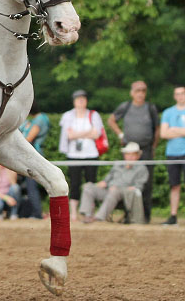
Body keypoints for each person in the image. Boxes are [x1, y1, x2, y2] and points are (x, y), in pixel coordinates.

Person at [107, 81, 160, 222]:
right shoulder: (126, 106)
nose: (140, 94)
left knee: (146, 184)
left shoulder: (150, 108)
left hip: (145, 150)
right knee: (126, 182)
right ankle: (128, 215)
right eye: (138, 91)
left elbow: (157, 129)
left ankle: (146, 216)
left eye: (143, 91)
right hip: (130, 150)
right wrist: (120, 134)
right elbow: (111, 120)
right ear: (132, 93)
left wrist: (153, 147)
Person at [59, 89, 104, 221]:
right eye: (78, 99)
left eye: (83, 99)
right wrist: (87, 132)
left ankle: (89, 211)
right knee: (74, 183)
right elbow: (69, 135)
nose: (80, 101)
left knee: (91, 184)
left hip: (91, 153)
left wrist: (77, 134)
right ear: (74, 101)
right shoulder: (67, 116)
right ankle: (73, 212)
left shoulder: (93, 115)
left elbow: (97, 134)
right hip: (74, 155)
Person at [78, 142, 148, 224]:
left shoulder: (142, 168)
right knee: (88, 187)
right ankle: (88, 215)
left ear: (138, 156)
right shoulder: (118, 165)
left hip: (124, 195)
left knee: (114, 191)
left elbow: (138, 187)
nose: (130, 157)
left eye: (133, 154)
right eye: (128, 154)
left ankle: (98, 217)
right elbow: (106, 180)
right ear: (124, 155)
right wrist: (102, 183)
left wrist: (119, 189)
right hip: (108, 191)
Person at [18, 101, 51, 219]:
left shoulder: (40, 119)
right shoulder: (34, 120)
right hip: (29, 156)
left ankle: (37, 213)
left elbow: (29, 139)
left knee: (31, 186)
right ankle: (32, 211)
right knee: (28, 186)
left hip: (34, 156)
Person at [160, 85, 185, 225]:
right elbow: (164, 134)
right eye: (178, 94)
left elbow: (169, 132)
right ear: (174, 96)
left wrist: (174, 129)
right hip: (172, 153)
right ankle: (173, 216)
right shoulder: (168, 112)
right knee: (174, 185)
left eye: (183, 93)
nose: (180, 96)